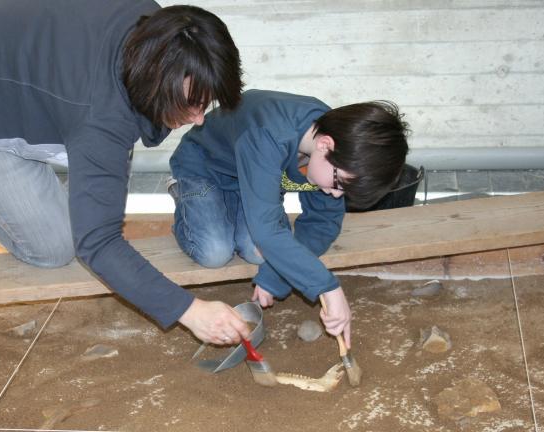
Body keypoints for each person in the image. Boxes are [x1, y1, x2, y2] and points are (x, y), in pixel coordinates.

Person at [0, 0, 252, 346]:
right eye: (192, 103)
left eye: (205, 102)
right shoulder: (100, 117)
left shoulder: (162, 29)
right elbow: (98, 244)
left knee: (93, 184)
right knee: (58, 247)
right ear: (156, 79)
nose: (198, 119)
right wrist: (190, 311)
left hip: (4, 55)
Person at [168, 89, 410, 347]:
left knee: (257, 252)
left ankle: (239, 210)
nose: (336, 194)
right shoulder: (270, 134)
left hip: (249, 184)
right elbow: (268, 231)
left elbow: (322, 223)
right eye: (339, 183)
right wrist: (329, 288)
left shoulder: (339, 152)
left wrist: (275, 275)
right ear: (325, 145)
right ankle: (186, 207)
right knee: (214, 252)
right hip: (203, 170)